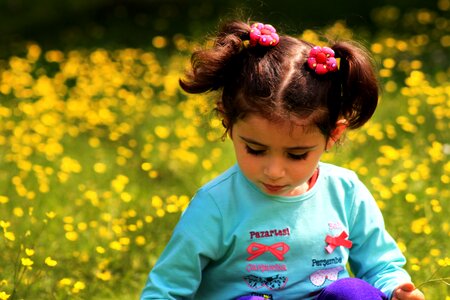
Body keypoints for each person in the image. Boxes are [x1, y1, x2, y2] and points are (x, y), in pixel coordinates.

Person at [140, 20, 425, 300]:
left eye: (297, 155)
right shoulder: (216, 205)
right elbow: (167, 289)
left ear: (333, 136)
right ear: (227, 121)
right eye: (255, 149)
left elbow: (380, 266)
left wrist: (396, 288)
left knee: (353, 292)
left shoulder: (345, 192)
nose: (274, 171)